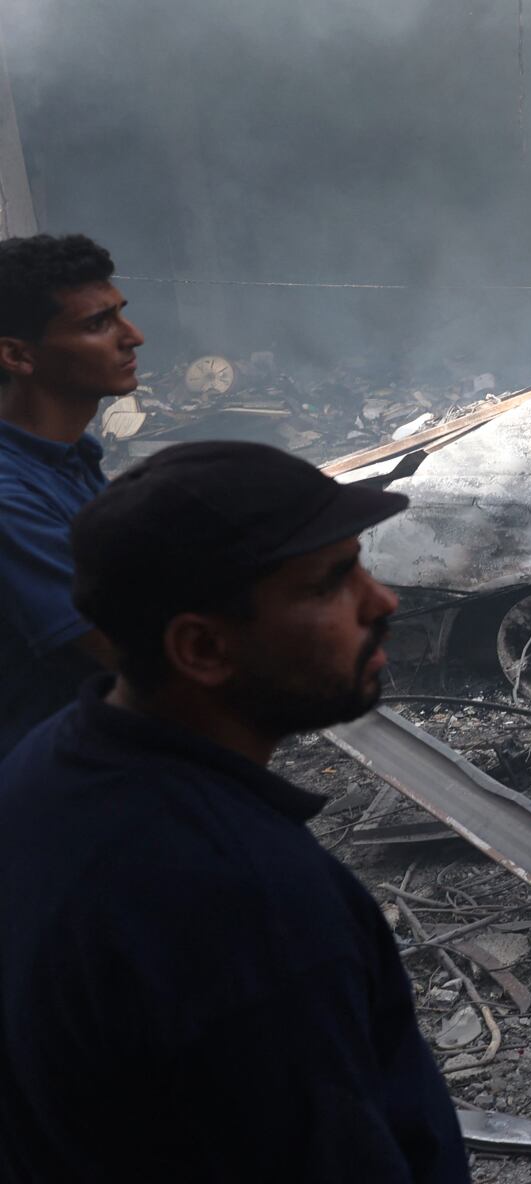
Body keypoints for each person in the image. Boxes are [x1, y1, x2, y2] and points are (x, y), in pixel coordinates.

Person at [0, 441, 470, 1182]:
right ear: (203, 648)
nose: (382, 602)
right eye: (330, 583)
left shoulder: (45, 768)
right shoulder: (249, 907)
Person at [0, 233, 141, 751]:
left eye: (121, 314)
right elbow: (129, 655)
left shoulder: (70, 456)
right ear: (17, 354)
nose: (134, 336)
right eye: (98, 324)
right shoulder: (9, 500)